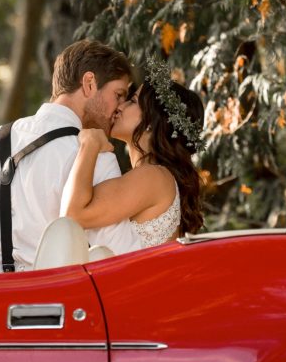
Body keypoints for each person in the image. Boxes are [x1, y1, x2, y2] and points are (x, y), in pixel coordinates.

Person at [0, 40, 144, 273]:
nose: (119, 107)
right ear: (89, 83)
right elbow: (120, 252)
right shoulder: (96, 157)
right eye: (118, 94)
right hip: (47, 304)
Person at [61, 57, 205, 247]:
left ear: (151, 122)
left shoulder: (153, 176)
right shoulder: (154, 176)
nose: (120, 106)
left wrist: (89, 144)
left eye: (132, 101)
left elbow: (73, 215)